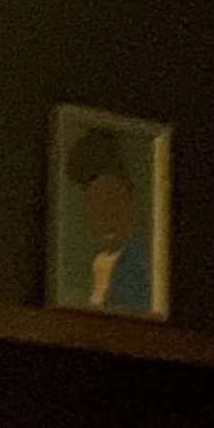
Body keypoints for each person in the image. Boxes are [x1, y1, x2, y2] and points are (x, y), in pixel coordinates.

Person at [64, 120, 152, 312]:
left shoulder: (138, 266)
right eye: (96, 205)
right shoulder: (94, 266)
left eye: (114, 201)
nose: (107, 216)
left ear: (130, 200)